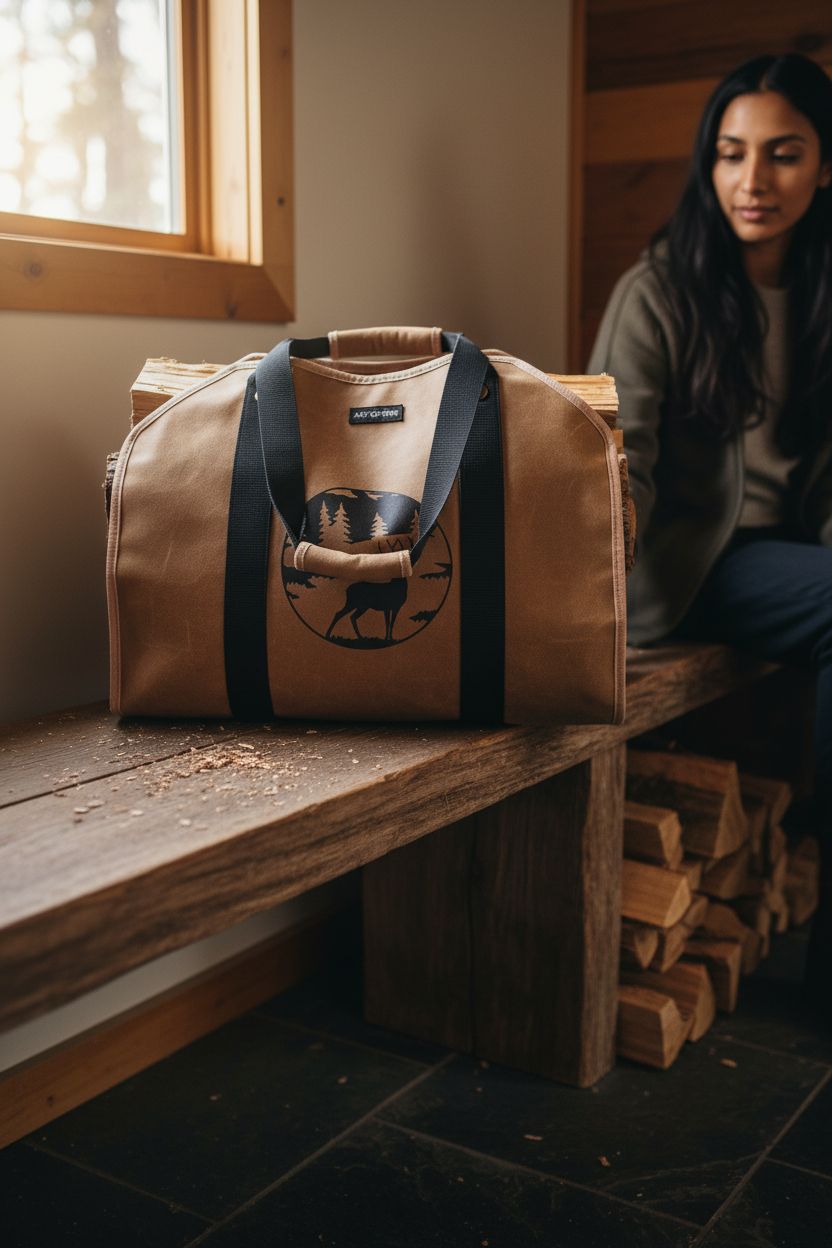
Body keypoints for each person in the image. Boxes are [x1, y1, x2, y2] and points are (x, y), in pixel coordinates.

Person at [587, 52, 832, 1019]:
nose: (752, 179)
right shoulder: (658, 292)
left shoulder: (822, 292)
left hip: (792, 553)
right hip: (694, 565)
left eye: (783, 153)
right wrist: (592, 603)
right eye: (731, 153)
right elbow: (621, 463)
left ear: (825, 165)